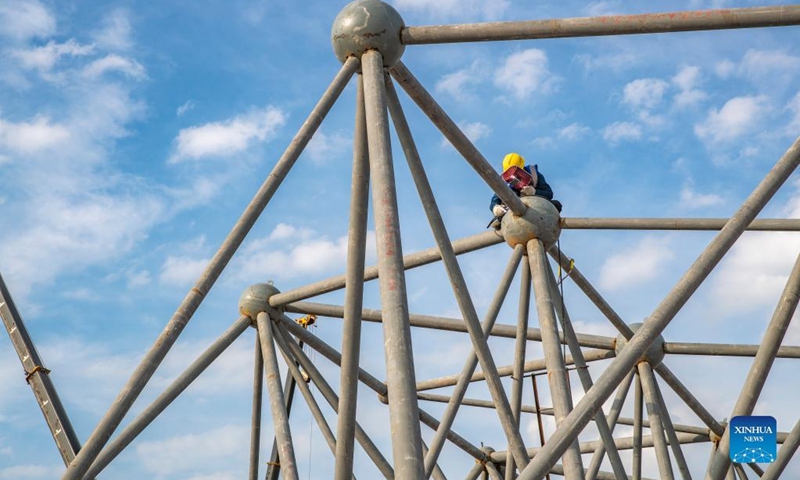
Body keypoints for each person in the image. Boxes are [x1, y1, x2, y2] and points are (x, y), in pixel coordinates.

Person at [488, 152, 561, 228]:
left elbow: (549, 193)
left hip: (535, 207)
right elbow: (494, 200)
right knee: (512, 194)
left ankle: (548, 225)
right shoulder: (504, 181)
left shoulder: (534, 174)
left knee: (556, 204)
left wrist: (534, 192)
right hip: (513, 212)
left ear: (521, 168)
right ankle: (502, 220)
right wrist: (495, 208)